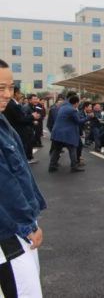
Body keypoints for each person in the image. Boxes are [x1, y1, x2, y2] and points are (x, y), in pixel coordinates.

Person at [0, 58, 47, 298]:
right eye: (1, 88)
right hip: (9, 233)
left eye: (11, 87)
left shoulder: (2, 120)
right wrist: (25, 225)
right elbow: (5, 184)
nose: (8, 94)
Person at [49, 95, 93, 173]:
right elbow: (79, 121)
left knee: (57, 150)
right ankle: (74, 166)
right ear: (76, 103)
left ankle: (52, 166)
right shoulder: (72, 110)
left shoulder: (63, 108)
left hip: (57, 132)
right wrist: (89, 117)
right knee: (72, 149)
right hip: (66, 134)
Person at [4, 86, 40, 164]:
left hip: (18, 130)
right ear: (16, 93)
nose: (21, 95)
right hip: (18, 131)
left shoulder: (13, 103)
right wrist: (32, 117)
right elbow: (20, 120)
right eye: (20, 93)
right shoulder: (13, 105)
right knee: (20, 149)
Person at [77, 101, 92, 166]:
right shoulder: (80, 113)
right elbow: (80, 122)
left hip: (78, 131)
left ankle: (77, 159)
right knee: (78, 146)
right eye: (90, 107)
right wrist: (88, 117)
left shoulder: (85, 113)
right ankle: (77, 160)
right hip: (76, 131)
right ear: (85, 107)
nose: (91, 108)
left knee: (79, 146)